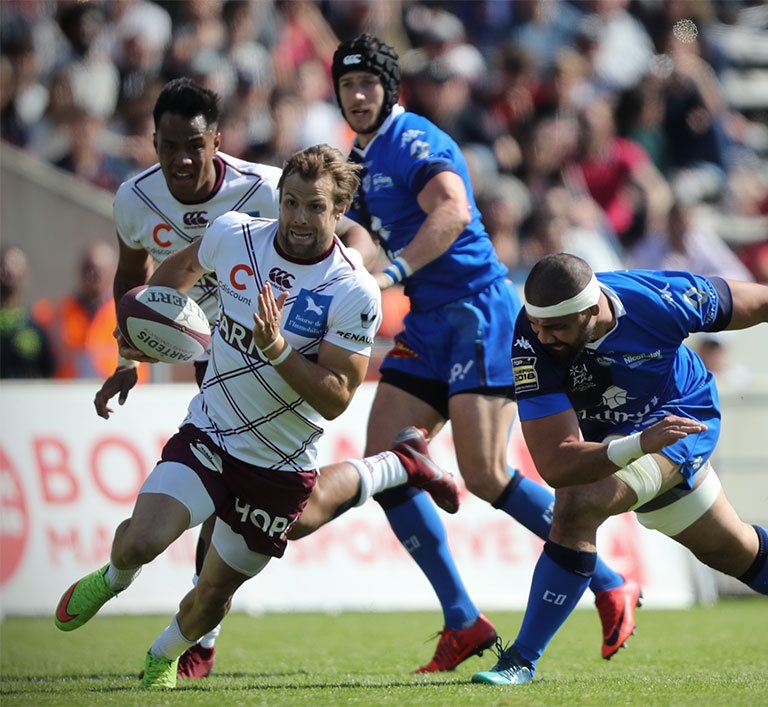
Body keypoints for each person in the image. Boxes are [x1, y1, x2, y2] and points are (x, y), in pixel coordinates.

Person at [290, 35, 639, 673]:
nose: (358, 95)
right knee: (387, 462)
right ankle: (463, 621)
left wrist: (390, 272)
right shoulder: (358, 160)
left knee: (485, 476)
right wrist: (339, 272)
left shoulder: (415, 139)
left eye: (369, 83)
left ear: (389, 89)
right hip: (428, 323)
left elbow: (451, 211)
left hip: (479, 311)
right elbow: (364, 235)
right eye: (348, 87)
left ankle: (610, 579)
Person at [53, 144, 458, 690]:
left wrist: (277, 350)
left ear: (339, 212)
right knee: (137, 542)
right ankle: (114, 577)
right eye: (290, 202)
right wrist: (146, 330)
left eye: (314, 207)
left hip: (280, 463)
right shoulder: (235, 234)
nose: (297, 218)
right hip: (212, 432)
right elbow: (184, 266)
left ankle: (162, 655)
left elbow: (338, 396)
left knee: (212, 596)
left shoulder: (352, 289)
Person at [472, 252, 768, 684]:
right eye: (537, 325)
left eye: (557, 329)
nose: (544, 338)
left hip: (682, 419)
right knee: (731, 549)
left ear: (592, 310)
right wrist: (637, 444)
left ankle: (521, 661)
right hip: (632, 436)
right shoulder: (532, 335)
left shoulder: (663, 299)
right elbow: (556, 461)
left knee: (578, 506)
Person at [90, 77, 286, 680]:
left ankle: (203, 628)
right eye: (168, 145)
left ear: (216, 142)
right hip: (203, 347)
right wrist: (129, 356)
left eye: (193, 146)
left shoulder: (266, 190)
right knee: (216, 491)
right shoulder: (133, 198)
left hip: (265, 350)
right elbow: (134, 279)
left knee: (249, 499)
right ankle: (181, 616)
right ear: (152, 142)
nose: (180, 159)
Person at [32, 240, 121, 380]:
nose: (92, 275)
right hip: (67, 393)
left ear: (112, 271)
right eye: (88, 268)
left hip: (115, 393)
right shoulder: (57, 312)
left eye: (99, 270)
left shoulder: (123, 313)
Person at [0, 245, 54, 378]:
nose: (8, 270)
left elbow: (48, 373)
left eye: (15, 264)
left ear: (26, 275)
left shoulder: (36, 326)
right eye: (3, 264)